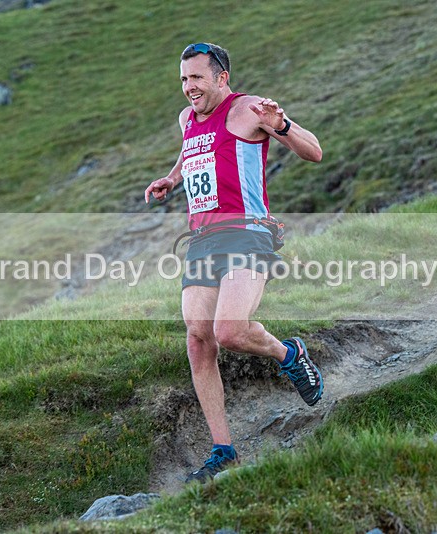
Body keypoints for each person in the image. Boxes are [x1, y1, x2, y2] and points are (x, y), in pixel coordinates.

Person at [144, 43, 324, 483]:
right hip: (203, 239)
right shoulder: (188, 119)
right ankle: (223, 450)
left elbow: (314, 151)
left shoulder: (250, 110)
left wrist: (280, 123)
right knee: (198, 339)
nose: (189, 87)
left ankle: (289, 353)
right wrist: (172, 178)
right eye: (184, 79)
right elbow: (192, 151)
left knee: (230, 331)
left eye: (197, 78)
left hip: (247, 232)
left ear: (221, 78)